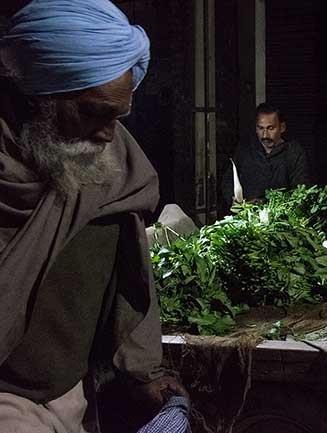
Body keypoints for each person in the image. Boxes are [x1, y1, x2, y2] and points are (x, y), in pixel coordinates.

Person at [0, 1, 188, 432]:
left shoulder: (115, 162)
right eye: (94, 112)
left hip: (74, 394)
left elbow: (132, 276)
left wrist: (141, 372)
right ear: (37, 98)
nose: (108, 133)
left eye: (118, 115)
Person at [222, 102, 309, 207]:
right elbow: (228, 180)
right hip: (246, 217)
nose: (265, 135)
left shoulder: (294, 152)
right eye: (260, 128)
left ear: (282, 127)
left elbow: (301, 191)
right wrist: (233, 199)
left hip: (280, 218)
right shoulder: (246, 149)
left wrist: (264, 203)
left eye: (270, 128)